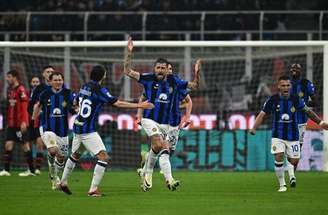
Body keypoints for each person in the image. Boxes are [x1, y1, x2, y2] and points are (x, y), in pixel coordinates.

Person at [57, 65, 154, 197]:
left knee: (75, 155)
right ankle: (93, 190)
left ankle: (63, 182)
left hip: (77, 126)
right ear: (103, 76)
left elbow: (75, 101)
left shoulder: (84, 86)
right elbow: (117, 103)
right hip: (88, 130)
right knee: (103, 157)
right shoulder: (99, 89)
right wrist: (140, 105)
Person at [124, 37, 200, 191]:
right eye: (157, 67)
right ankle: (166, 178)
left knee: (163, 150)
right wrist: (129, 53)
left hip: (170, 124)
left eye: (162, 68)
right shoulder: (148, 79)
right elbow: (127, 71)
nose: (159, 70)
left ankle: (146, 172)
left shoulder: (175, 82)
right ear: (154, 69)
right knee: (160, 145)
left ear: (167, 69)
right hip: (150, 119)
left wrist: (196, 73)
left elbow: (194, 86)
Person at [250, 75, 328, 192]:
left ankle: (290, 170)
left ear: (290, 86)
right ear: (278, 86)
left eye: (288, 85)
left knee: (294, 161)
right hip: (278, 135)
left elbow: (308, 112)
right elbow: (262, 114)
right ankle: (282, 185)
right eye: (283, 85)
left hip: (293, 136)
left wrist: (321, 122)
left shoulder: (296, 99)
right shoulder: (273, 99)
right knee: (278, 156)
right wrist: (254, 128)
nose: (286, 87)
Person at [136, 61, 193, 179]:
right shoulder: (154, 84)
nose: (169, 71)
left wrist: (186, 115)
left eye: (170, 69)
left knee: (169, 149)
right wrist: (139, 115)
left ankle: (146, 167)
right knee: (159, 145)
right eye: (168, 69)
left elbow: (188, 101)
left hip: (173, 122)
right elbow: (143, 97)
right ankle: (160, 174)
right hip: (157, 120)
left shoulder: (177, 84)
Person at [33, 72, 76, 190]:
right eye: (55, 80)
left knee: (61, 157)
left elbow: (73, 108)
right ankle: (53, 174)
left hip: (63, 131)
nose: (58, 82)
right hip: (48, 128)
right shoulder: (45, 94)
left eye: (60, 80)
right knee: (53, 150)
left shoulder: (68, 93)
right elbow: (37, 106)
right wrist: (33, 119)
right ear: (50, 82)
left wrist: (76, 110)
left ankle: (54, 175)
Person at [286, 63, 317, 186]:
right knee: (287, 147)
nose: (293, 71)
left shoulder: (305, 84)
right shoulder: (286, 84)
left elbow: (315, 101)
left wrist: (302, 105)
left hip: (301, 121)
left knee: (297, 149)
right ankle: (291, 175)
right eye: (292, 69)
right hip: (287, 120)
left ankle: (292, 174)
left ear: (300, 71)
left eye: (296, 69)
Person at [0, 70, 36, 177]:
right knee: (8, 145)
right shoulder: (10, 90)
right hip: (11, 124)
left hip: (19, 124)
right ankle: (6, 170)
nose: (7, 79)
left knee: (25, 146)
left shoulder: (21, 90)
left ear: (15, 77)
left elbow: (25, 107)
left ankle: (31, 170)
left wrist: (24, 122)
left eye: (9, 77)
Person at [25, 66, 55, 176]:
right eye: (48, 72)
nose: (50, 73)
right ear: (43, 74)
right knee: (37, 143)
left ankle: (42, 169)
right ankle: (33, 169)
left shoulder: (59, 87)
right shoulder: (38, 88)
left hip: (55, 123)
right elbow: (30, 106)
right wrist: (37, 113)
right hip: (40, 121)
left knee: (51, 147)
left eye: (52, 71)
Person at [25, 75, 44, 175]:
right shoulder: (27, 94)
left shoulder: (42, 94)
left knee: (39, 143)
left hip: (39, 122)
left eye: (37, 82)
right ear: (31, 83)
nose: (35, 83)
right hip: (29, 123)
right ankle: (30, 168)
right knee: (28, 145)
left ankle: (38, 168)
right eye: (33, 82)